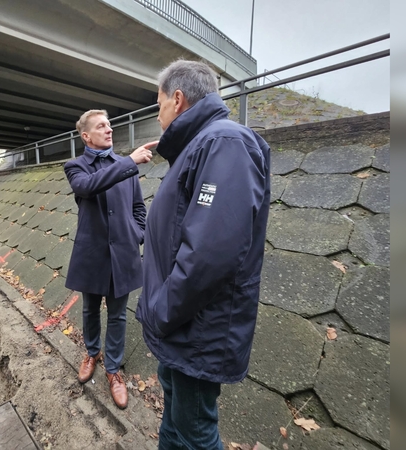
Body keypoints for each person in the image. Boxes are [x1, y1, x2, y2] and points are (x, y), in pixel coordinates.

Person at [136, 60, 271, 449]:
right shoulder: (200, 146)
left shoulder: (224, 143)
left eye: (159, 104)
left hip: (194, 327)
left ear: (178, 99)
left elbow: (210, 254)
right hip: (181, 324)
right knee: (177, 420)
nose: (158, 113)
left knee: (195, 431)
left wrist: (161, 311)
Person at [64, 109, 157, 409]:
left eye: (110, 125)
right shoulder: (75, 166)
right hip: (92, 254)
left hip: (123, 253)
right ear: (86, 135)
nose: (109, 129)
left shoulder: (124, 166)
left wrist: (136, 234)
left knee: (117, 315)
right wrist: (129, 161)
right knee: (90, 311)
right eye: (101, 126)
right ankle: (92, 353)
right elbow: (88, 187)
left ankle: (113, 369)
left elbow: (138, 208)